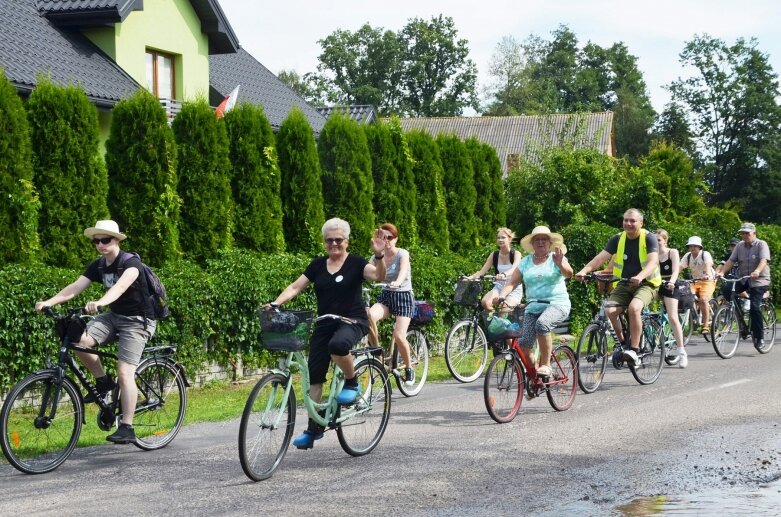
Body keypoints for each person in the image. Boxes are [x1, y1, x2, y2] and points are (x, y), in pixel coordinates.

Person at [268, 218, 386, 450]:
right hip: (324, 322)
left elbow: (379, 276)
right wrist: (275, 303)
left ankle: (352, 382)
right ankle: (314, 428)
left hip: (353, 321)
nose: (334, 244)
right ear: (324, 242)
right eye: (329, 240)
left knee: (338, 345)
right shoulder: (317, 265)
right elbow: (295, 287)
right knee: (314, 376)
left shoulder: (356, 263)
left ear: (347, 241)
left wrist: (380, 256)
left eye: (338, 240)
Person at [34, 220, 157, 444]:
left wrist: (100, 302)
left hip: (138, 321)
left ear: (117, 240)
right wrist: (48, 302)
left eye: (106, 240)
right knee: (77, 340)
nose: (100, 244)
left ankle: (127, 427)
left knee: (124, 371)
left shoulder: (131, 264)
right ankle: (103, 382)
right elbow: (75, 287)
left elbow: (120, 288)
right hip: (114, 317)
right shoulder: (99, 265)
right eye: (96, 241)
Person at [575, 208, 661, 366]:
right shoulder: (618, 239)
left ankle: (634, 351)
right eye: (625, 220)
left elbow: (653, 262)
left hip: (647, 283)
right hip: (624, 283)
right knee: (610, 310)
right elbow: (600, 258)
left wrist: (641, 276)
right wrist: (584, 271)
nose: (628, 223)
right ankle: (623, 345)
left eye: (632, 221)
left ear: (641, 223)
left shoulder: (649, 238)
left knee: (634, 308)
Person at [499, 226, 572, 377]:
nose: (540, 242)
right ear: (532, 244)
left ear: (549, 242)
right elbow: (512, 283)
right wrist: (501, 296)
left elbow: (569, 273)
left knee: (542, 324)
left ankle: (546, 365)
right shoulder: (525, 262)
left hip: (556, 304)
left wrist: (560, 264)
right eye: (537, 239)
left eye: (544, 239)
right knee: (524, 345)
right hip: (533, 307)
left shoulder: (556, 258)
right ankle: (534, 378)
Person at [367, 223, 416, 385]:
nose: (386, 240)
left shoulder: (402, 253)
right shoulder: (376, 257)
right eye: (383, 237)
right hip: (386, 296)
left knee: (399, 335)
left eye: (390, 237)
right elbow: (366, 270)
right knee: (369, 316)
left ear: (396, 239)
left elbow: (403, 271)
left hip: (403, 296)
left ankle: (409, 369)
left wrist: (397, 282)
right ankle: (378, 356)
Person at [716, 222, 771, 348]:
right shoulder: (739, 246)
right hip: (743, 279)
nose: (744, 235)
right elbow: (731, 260)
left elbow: (764, 260)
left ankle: (759, 337)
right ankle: (739, 319)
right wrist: (722, 272)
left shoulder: (761, 244)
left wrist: (757, 271)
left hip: (759, 280)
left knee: (755, 307)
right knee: (727, 290)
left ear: (754, 233)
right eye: (743, 233)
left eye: (747, 233)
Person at [467, 227, 523, 311]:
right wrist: (469, 278)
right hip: (499, 286)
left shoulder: (516, 254)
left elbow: (514, 269)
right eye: (498, 237)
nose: (500, 240)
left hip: (513, 287)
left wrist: (504, 274)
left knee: (504, 310)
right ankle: (495, 321)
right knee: (485, 302)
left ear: (510, 239)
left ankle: (502, 320)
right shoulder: (494, 255)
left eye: (503, 237)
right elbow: (481, 272)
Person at [655, 229, 687, 368]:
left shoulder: (672, 252)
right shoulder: (652, 254)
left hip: (670, 284)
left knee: (673, 317)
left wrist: (672, 282)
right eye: (654, 241)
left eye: (659, 240)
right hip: (656, 284)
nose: (656, 243)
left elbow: (675, 271)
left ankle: (682, 353)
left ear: (665, 240)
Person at [679, 236, 716, 334]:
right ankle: (694, 319)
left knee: (703, 299)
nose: (692, 248)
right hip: (695, 281)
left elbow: (708, 264)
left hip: (708, 281)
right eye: (690, 246)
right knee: (686, 295)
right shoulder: (688, 256)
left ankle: (705, 325)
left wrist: (707, 274)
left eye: (695, 246)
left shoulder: (705, 254)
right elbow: (680, 267)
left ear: (699, 247)